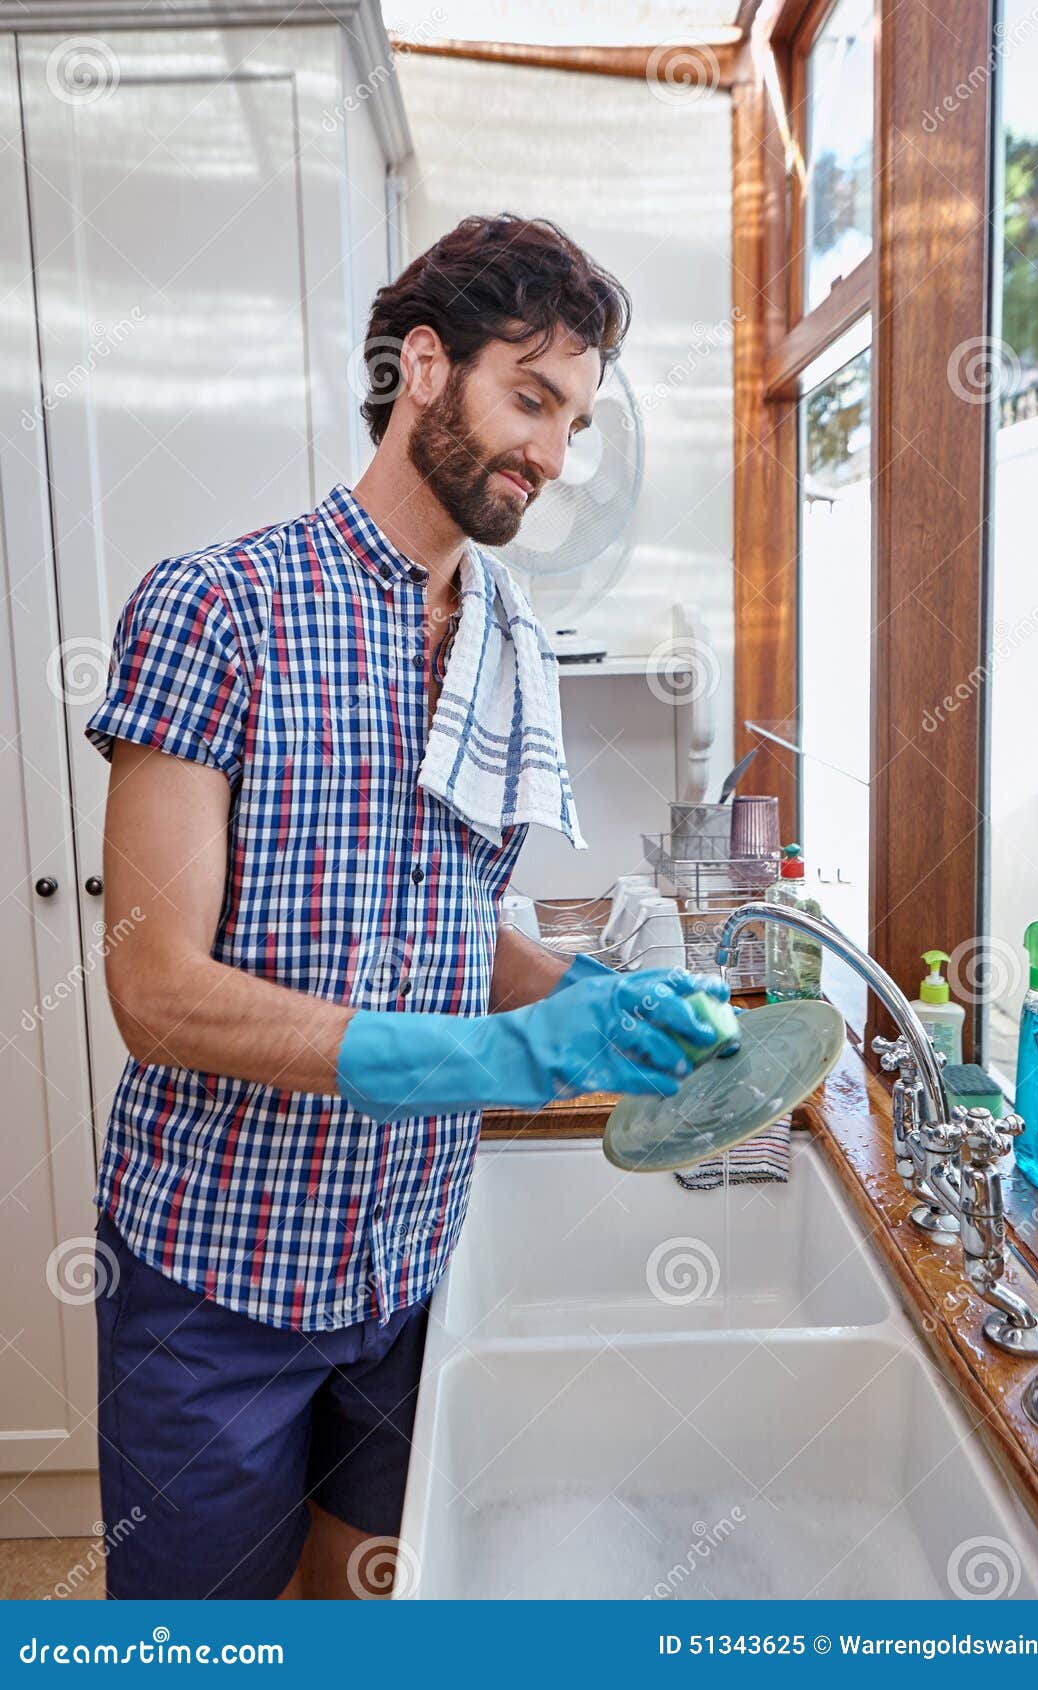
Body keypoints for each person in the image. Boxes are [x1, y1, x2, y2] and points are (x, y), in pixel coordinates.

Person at [86, 213, 735, 1600]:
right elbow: (155, 993)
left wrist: (585, 998)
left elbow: (450, 924)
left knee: (369, 1606)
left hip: (409, 1262)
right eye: (532, 398)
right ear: (426, 368)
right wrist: (483, 1058)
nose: (552, 456)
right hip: (220, 1272)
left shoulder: (510, 640)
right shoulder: (219, 609)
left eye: (575, 424)